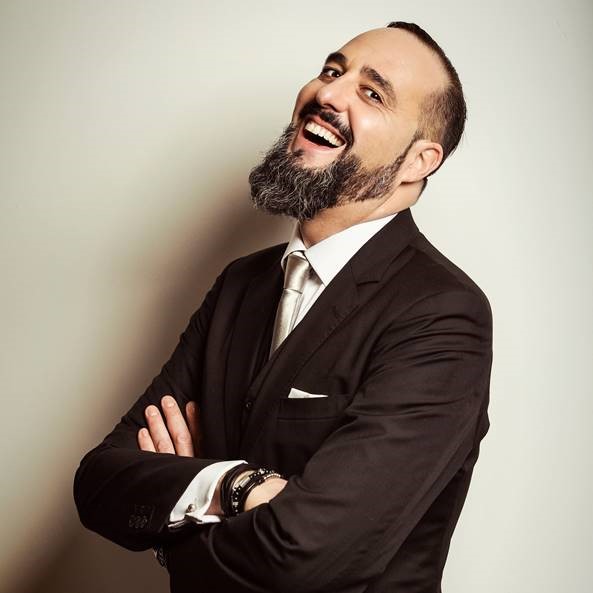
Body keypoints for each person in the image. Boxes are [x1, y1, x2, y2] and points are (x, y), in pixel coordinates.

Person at [74, 21, 493, 593]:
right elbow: (98, 482)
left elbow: (304, 552)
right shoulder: (240, 284)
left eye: (372, 93)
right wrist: (234, 485)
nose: (328, 93)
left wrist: (178, 520)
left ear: (419, 161)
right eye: (332, 70)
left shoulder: (443, 315)